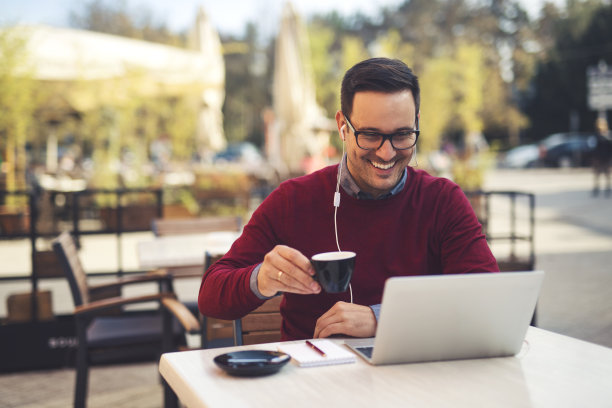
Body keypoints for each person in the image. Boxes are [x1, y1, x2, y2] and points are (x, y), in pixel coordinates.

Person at [199, 58, 498, 341]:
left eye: (403, 134)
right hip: (315, 383)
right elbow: (211, 296)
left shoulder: (442, 201)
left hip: (417, 379)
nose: (387, 152)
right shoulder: (292, 201)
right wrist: (262, 278)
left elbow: (488, 298)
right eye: (369, 135)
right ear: (343, 126)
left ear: (416, 123)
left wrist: (382, 319)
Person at [592, 117, 612, 197]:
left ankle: (607, 189)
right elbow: (594, 149)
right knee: (597, 175)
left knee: (606, 175)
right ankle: (596, 189)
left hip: (605, 159)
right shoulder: (597, 136)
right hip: (599, 159)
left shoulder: (607, 135)